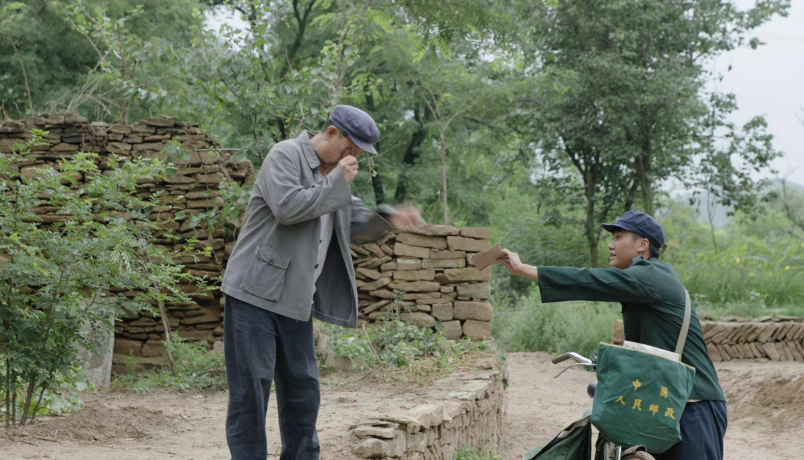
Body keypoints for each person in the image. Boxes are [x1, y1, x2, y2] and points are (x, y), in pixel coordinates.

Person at [220, 105, 423, 460]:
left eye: (359, 152)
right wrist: (336, 182)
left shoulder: (333, 175)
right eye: (351, 148)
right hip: (253, 294)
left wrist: (390, 217)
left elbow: (355, 220)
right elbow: (288, 208)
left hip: (297, 299)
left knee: (304, 390)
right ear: (331, 133)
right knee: (250, 393)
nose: (354, 157)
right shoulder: (284, 155)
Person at [498, 210, 727, 460]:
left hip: (695, 405)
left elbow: (591, 280)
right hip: (666, 403)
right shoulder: (644, 277)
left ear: (642, 245)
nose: (610, 244)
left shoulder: (650, 276)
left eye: (618, 237)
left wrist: (525, 270)